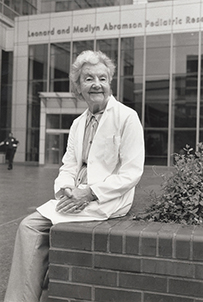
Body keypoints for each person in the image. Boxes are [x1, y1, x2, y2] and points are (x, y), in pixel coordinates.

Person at [4, 50, 145, 302]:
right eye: (88, 78)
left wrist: (90, 192)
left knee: (30, 228)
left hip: (107, 199)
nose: (97, 84)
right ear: (78, 86)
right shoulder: (78, 123)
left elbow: (132, 172)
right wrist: (66, 190)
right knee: (34, 228)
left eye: (102, 78)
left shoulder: (127, 117)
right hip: (76, 195)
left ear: (110, 83)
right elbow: (68, 165)